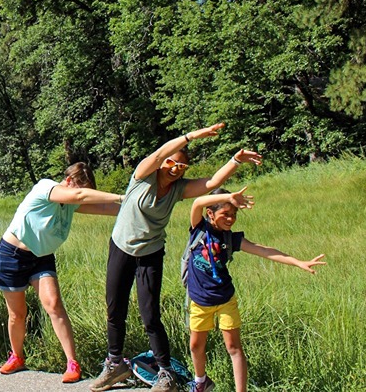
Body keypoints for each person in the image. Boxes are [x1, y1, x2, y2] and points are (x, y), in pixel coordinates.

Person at [91, 124, 259, 392]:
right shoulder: (142, 176)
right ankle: (114, 364)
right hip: (121, 247)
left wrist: (235, 160)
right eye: (172, 163)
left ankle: (165, 372)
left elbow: (212, 183)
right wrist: (191, 137)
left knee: (150, 314)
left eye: (181, 167)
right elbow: (157, 156)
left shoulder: (179, 189)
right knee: (115, 308)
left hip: (150, 253)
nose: (175, 169)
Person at [185, 184, 326, 392]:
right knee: (196, 346)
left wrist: (298, 262)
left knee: (233, 347)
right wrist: (230, 196)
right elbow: (197, 202)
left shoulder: (231, 238)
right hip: (200, 301)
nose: (231, 219)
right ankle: (201, 381)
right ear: (210, 213)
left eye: (234, 214)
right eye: (225, 214)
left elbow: (264, 250)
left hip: (225, 300)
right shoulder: (199, 228)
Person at [0, 162, 123, 384]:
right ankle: (17, 356)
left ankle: (72, 363)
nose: (79, 194)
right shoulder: (46, 187)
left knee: (54, 305)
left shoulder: (70, 204)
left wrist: (139, 203)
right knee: (18, 314)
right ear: (68, 182)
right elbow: (82, 196)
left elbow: (104, 208)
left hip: (41, 257)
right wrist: (122, 196)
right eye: (77, 189)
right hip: (12, 254)